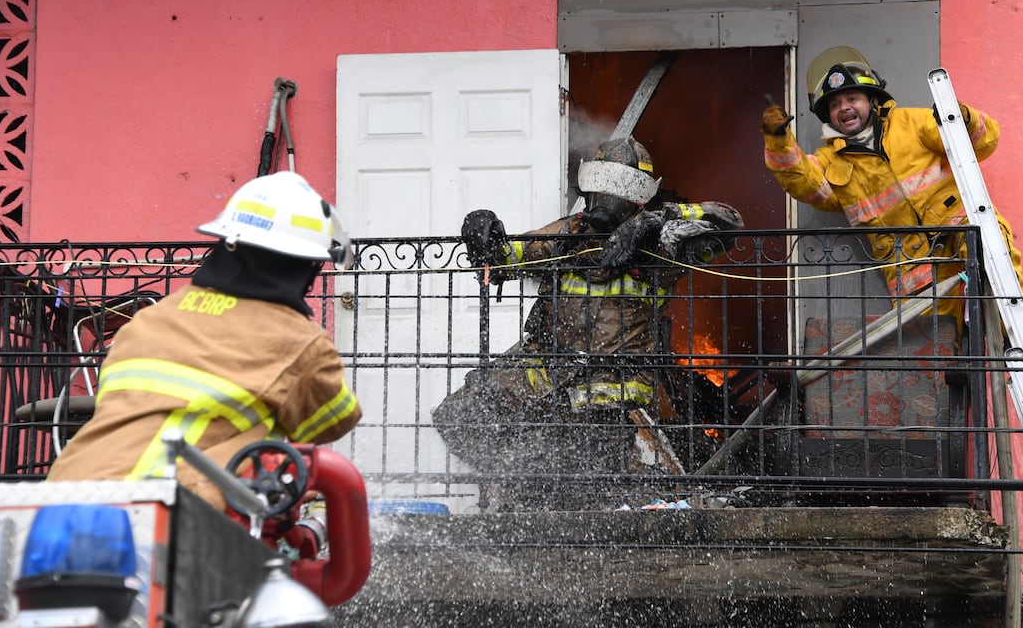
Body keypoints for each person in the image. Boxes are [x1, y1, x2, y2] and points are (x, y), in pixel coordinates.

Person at [431, 136, 744, 511]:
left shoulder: (661, 244)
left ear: (640, 197)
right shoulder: (569, 233)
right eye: (603, 186)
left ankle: (614, 488)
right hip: (548, 373)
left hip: (604, 390)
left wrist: (652, 222)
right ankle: (515, 476)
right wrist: (482, 231)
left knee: (574, 475)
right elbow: (505, 259)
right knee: (460, 416)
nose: (608, 201)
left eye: (623, 190)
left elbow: (729, 220)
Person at [48, 171, 362, 511]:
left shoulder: (149, 320)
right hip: (156, 521)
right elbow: (333, 421)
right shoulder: (297, 341)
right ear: (305, 267)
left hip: (58, 500)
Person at [759, 45, 1023, 320]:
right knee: (932, 353)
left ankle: (1011, 347)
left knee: (1003, 308)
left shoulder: (912, 122)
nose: (844, 107)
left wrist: (962, 119)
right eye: (835, 104)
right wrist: (778, 140)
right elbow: (805, 184)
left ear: (873, 100)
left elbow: (980, 144)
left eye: (852, 98)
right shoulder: (830, 160)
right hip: (914, 272)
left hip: (967, 238)